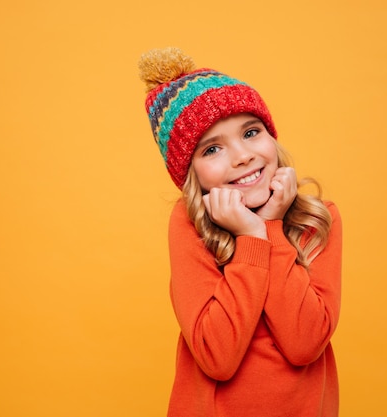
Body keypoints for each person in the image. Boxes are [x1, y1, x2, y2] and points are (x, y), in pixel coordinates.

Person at [138, 47, 343, 417]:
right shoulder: (190, 225)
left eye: (251, 132)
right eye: (213, 149)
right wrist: (251, 238)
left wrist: (270, 229)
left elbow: (304, 344)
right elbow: (217, 357)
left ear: (272, 137)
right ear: (192, 175)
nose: (242, 156)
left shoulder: (318, 219)